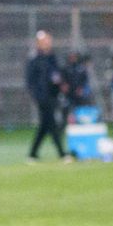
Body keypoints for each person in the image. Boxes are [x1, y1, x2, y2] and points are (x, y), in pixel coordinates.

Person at [26, 31, 70, 161]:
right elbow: (30, 80)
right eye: (44, 41)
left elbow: (58, 74)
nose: (47, 43)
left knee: (44, 126)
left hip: (53, 95)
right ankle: (62, 153)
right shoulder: (35, 59)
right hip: (42, 97)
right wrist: (36, 95)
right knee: (52, 123)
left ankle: (32, 154)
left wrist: (61, 83)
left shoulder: (53, 58)